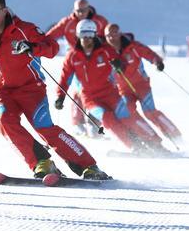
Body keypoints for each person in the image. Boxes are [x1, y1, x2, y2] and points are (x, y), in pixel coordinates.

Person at [0, 0, 108, 180]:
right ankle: (42, 163)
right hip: (4, 92)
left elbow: (52, 48)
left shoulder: (25, 29)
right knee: (5, 122)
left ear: (4, 10)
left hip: (32, 89)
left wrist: (33, 47)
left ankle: (89, 167)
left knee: (44, 127)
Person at [57, 20, 167, 154]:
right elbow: (65, 78)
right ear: (78, 35)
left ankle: (155, 143)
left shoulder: (105, 50)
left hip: (111, 94)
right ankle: (135, 146)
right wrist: (60, 96)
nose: (86, 39)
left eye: (89, 34)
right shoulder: (72, 56)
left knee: (127, 116)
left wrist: (120, 65)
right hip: (91, 100)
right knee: (107, 119)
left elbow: (122, 63)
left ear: (94, 35)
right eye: (83, 35)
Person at [104, 23, 183, 145]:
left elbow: (148, 53)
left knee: (150, 112)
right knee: (128, 114)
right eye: (108, 35)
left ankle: (175, 135)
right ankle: (147, 138)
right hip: (124, 90)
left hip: (142, 86)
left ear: (119, 34)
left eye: (114, 34)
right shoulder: (105, 53)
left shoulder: (132, 46)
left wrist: (157, 62)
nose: (111, 38)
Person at [46, 0, 109, 135]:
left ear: (89, 9)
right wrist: (39, 44)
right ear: (74, 10)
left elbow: (110, 37)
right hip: (76, 60)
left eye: (83, 10)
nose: (81, 13)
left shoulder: (100, 21)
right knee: (80, 89)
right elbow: (51, 35)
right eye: (78, 11)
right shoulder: (67, 22)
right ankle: (78, 123)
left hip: (95, 61)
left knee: (95, 90)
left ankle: (94, 123)